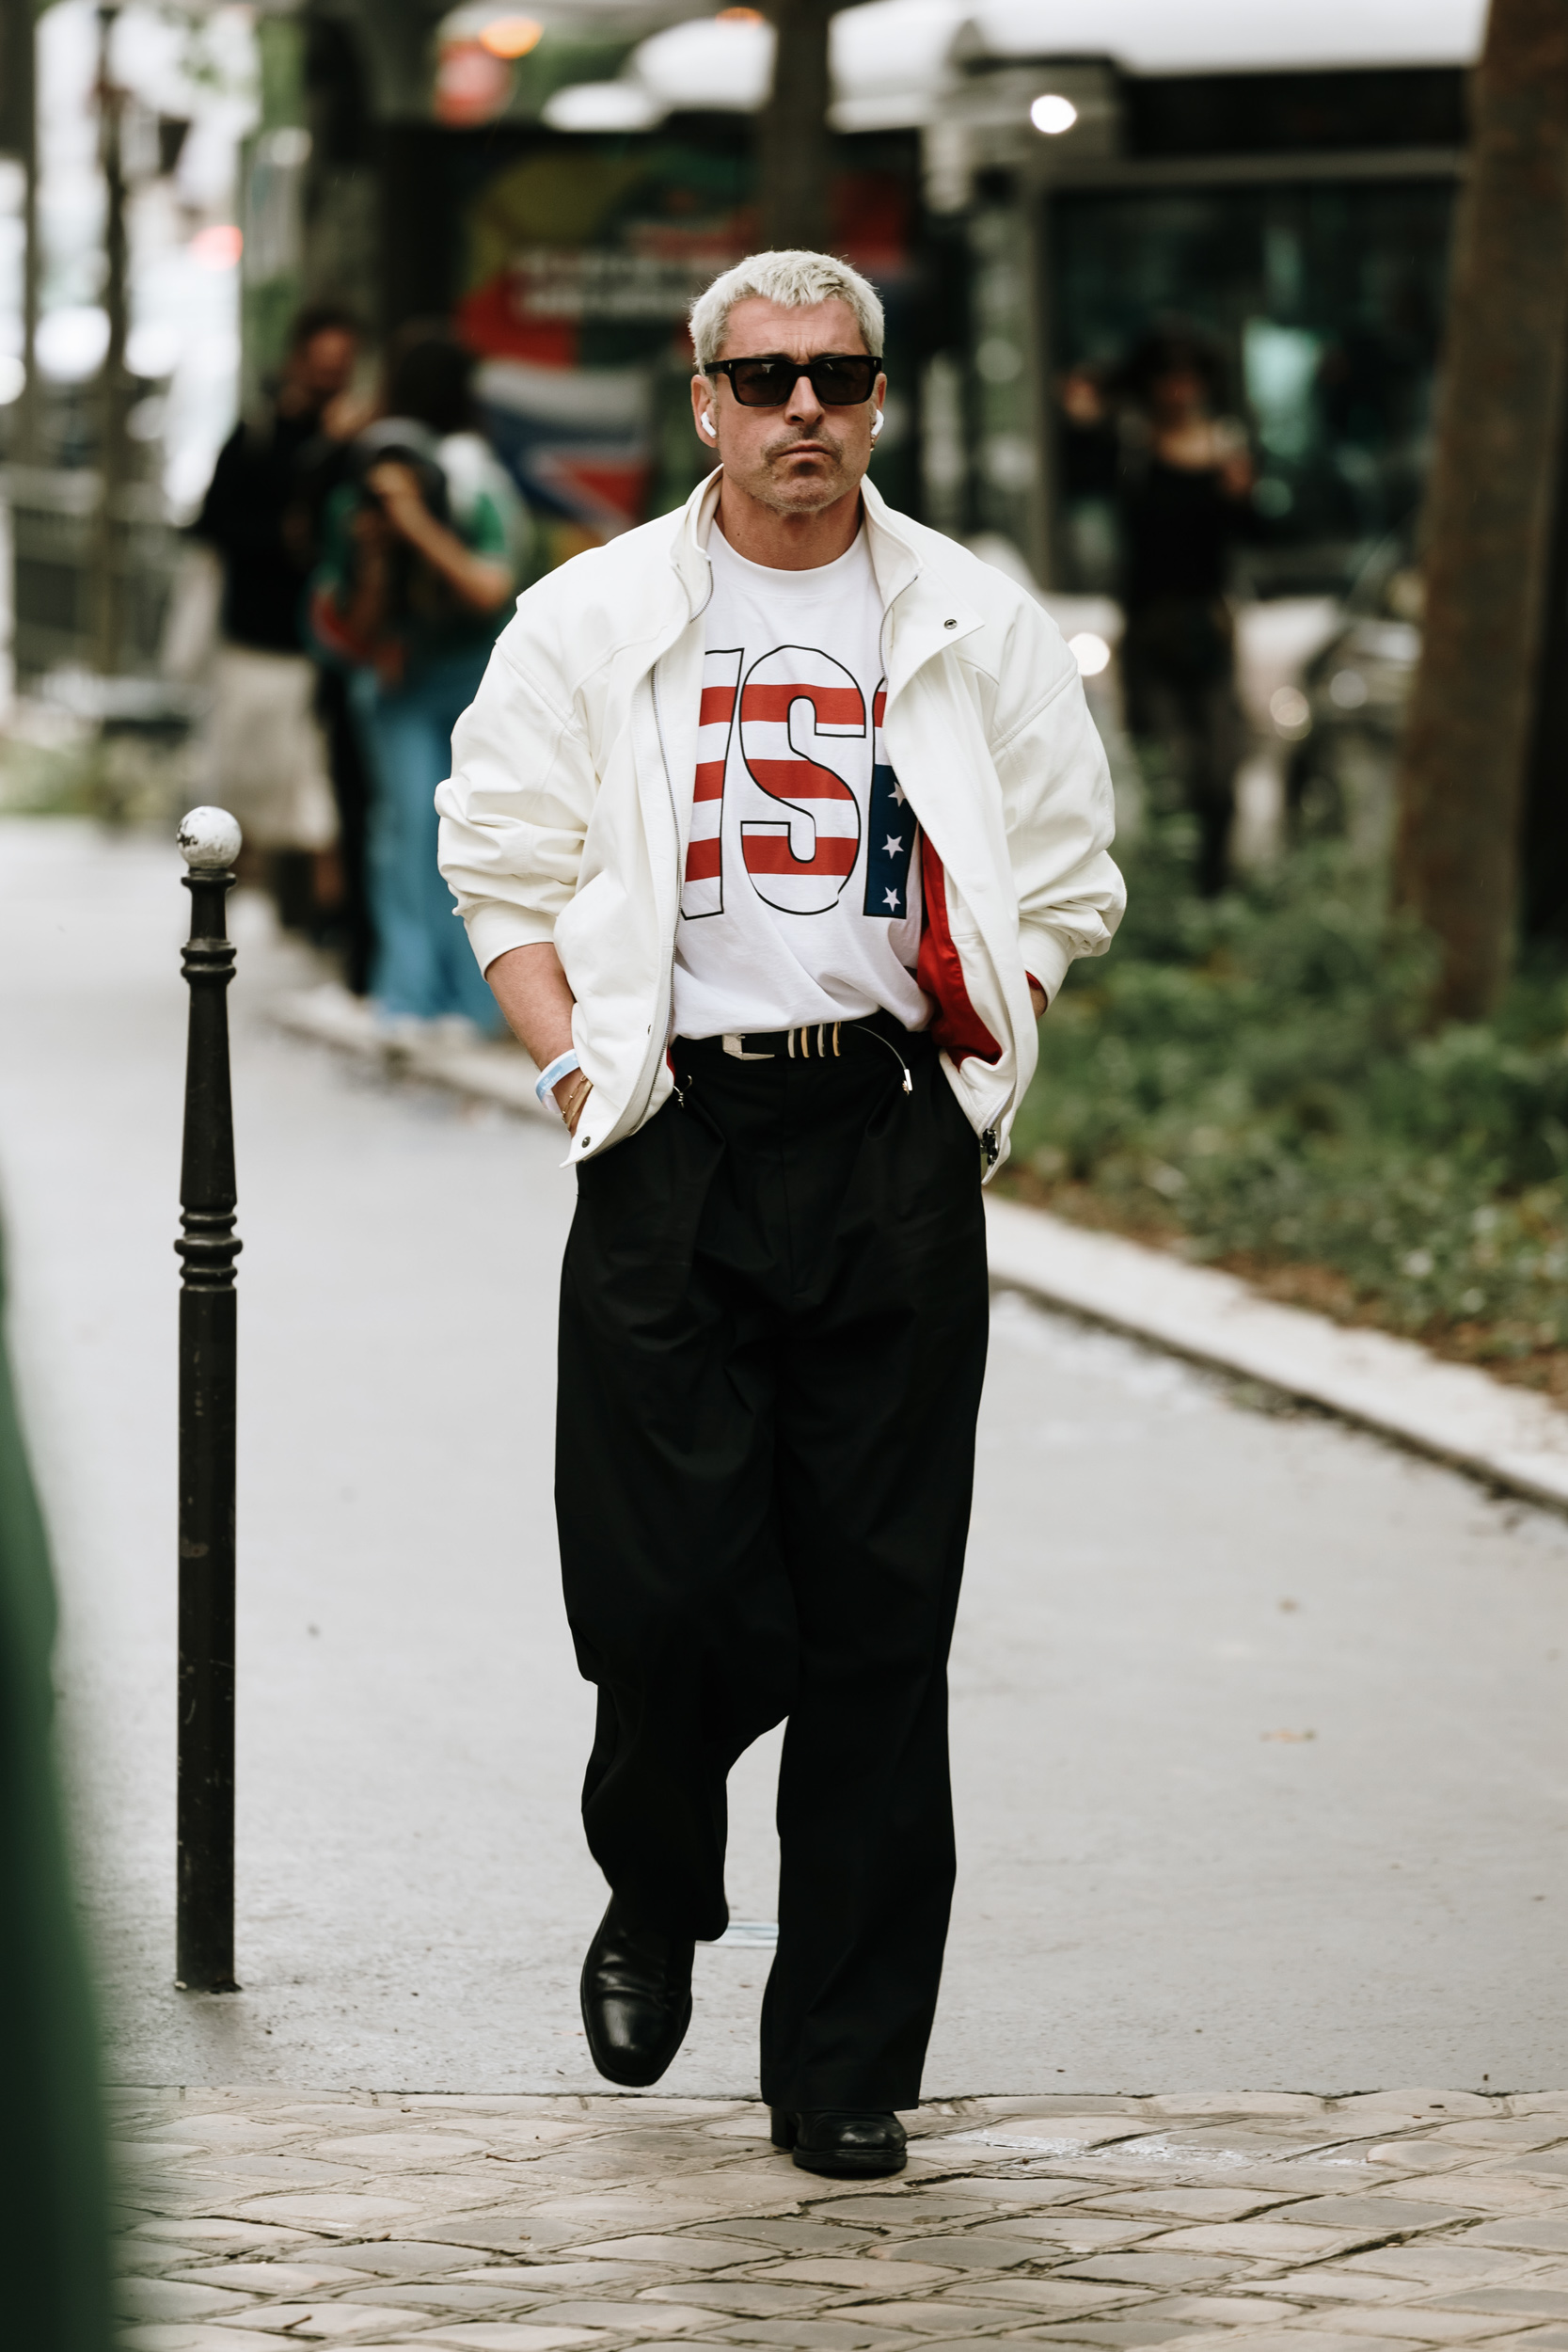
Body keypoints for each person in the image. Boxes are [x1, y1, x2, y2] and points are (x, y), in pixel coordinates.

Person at [436, 251, 1124, 2175]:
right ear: (704, 400)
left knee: (878, 1625)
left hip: (883, 1144)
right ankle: (654, 1874)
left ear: (878, 398)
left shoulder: (967, 621)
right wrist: (583, 1072)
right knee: (654, 1598)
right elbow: (495, 856)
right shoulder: (595, 618)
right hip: (671, 1141)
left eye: (834, 376)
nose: (799, 410)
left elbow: (1065, 876)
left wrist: (987, 1039)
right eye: (762, 378)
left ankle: (841, 2058)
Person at [311, 326, 526, 1034]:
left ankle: (479, 1003)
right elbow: (348, 626)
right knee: (406, 837)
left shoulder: (466, 484)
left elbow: (488, 586)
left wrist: (418, 526)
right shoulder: (356, 505)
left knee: (477, 838)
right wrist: (379, 551)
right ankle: (408, 995)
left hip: (468, 677)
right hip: (400, 684)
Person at [1067, 329, 1253, 897]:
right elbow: (1080, 462)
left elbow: (1251, 536)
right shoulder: (1132, 446)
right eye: (1168, 377)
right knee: (1168, 771)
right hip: (1150, 626)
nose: (1180, 389)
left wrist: (1240, 496)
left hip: (1209, 623)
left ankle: (1214, 892)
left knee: (1219, 775)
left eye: (1189, 375)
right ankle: (1171, 904)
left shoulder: (1226, 447)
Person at [193, 304, 363, 914]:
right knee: (248, 777)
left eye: (339, 368)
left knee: (316, 785)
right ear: (297, 362)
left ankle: (321, 913)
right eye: (320, 366)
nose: (328, 380)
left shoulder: (356, 441)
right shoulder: (257, 435)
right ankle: (232, 895)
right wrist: (281, 537)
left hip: (331, 645)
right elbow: (211, 522)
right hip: (258, 636)